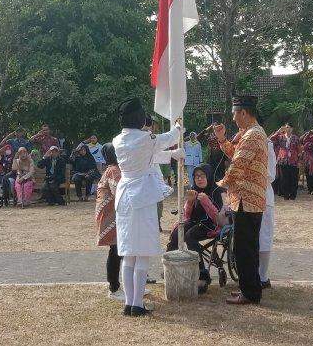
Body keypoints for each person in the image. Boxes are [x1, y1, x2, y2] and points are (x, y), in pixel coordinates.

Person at [112, 98, 181, 317]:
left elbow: (151, 153)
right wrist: (178, 127)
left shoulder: (118, 140)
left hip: (124, 196)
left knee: (128, 253)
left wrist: (171, 153)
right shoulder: (145, 138)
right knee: (141, 253)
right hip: (141, 196)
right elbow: (168, 139)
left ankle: (130, 303)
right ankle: (137, 304)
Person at [213, 95, 268, 305]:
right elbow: (235, 154)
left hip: (247, 199)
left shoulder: (253, 134)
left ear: (244, 112)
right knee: (246, 247)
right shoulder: (248, 133)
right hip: (245, 198)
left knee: (244, 248)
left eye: (235, 113)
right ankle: (249, 289)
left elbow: (237, 165)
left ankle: (250, 292)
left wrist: (220, 184)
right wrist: (221, 139)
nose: (233, 118)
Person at [166, 164, 226, 294]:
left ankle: (202, 275)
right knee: (178, 231)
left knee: (189, 235)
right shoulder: (193, 190)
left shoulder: (218, 192)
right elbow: (187, 216)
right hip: (195, 222)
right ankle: (171, 266)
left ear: (208, 176)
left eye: (202, 176)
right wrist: (190, 202)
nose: (199, 179)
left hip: (212, 224)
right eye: (196, 176)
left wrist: (206, 202)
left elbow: (219, 220)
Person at [94, 143, 124, 300]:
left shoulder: (111, 169)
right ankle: (113, 288)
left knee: (121, 250)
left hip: (111, 214)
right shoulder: (113, 170)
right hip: (111, 215)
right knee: (117, 250)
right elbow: (120, 191)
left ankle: (127, 286)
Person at [259, 136, 276, 290]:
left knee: (263, 237)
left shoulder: (266, 143)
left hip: (262, 196)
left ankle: (263, 277)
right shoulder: (241, 141)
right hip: (244, 199)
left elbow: (270, 174)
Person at [270, 124, 302, 200]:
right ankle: (286, 195)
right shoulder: (280, 137)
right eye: (287, 127)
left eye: (290, 127)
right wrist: (278, 131)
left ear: (292, 129)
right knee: (284, 178)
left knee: (294, 178)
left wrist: (299, 161)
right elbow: (271, 139)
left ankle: (293, 195)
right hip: (283, 160)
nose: (288, 129)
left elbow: (299, 150)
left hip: (293, 160)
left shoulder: (295, 138)